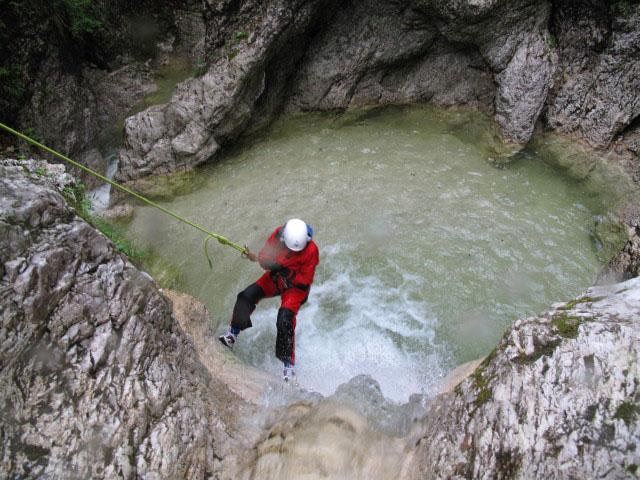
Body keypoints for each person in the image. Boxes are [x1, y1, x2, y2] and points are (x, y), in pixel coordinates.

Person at [219, 219, 319, 382]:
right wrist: (269, 263)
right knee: (246, 296)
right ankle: (233, 334)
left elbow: (305, 280)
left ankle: (289, 367)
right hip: (276, 277)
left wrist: (287, 272)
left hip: (296, 289)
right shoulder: (279, 235)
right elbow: (265, 254)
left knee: (284, 320)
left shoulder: (311, 250)